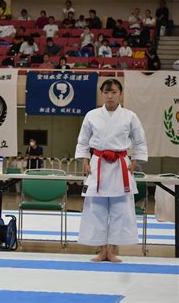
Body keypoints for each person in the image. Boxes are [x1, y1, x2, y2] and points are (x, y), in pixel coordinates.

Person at [75, 79, 148, 262]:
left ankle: (113, 251)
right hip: (97, 163)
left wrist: (134, 161)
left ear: (120, 94)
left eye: (114, 92)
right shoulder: (92, 115)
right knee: (96, 209)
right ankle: (101, 251)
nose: (110, 96)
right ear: (101, 93)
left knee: (120, 209)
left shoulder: (129, 116)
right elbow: (83, 141)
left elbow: (139, 141)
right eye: (106, 92)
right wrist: (85, 161)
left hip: (119, 165)